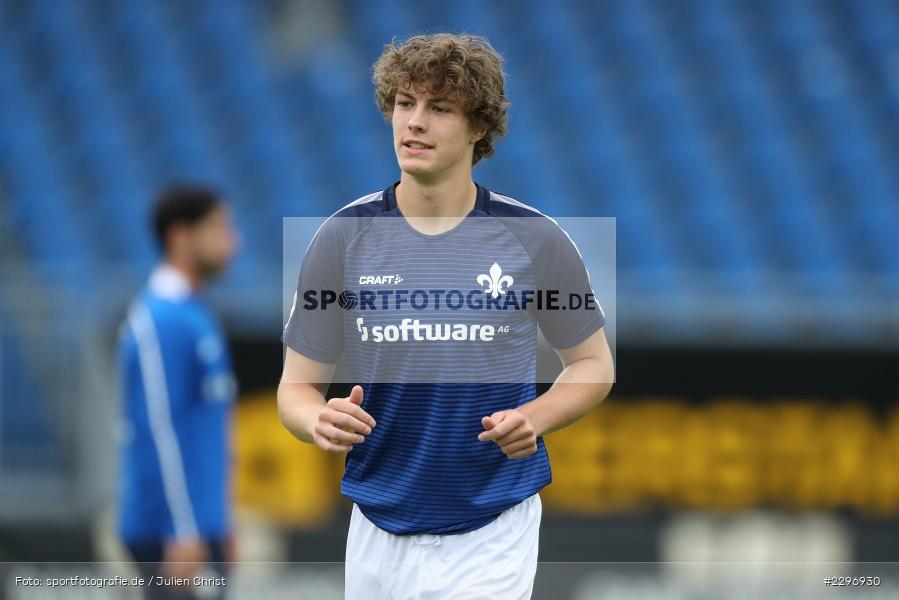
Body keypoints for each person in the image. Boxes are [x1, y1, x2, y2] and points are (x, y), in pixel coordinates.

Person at [278, 33, 614, 599]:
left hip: (490, 525)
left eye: (439, 108)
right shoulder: (341, 238)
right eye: (405, 104)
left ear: (479, 126)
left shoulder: (535, 239)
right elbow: (295, 389)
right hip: (375, 524)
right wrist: (316, 421)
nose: (415, 122)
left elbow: (593, 365)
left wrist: (538, 416)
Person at [118, 185, 239, 599]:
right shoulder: (159, 319)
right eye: (220, 228)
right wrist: (184, 529)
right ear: (180, 236)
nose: (233, 241)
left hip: (204, 526)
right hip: (171, 533)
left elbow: (207, 431)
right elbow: (159, 428)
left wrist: (221, 521)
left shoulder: (195, 312)